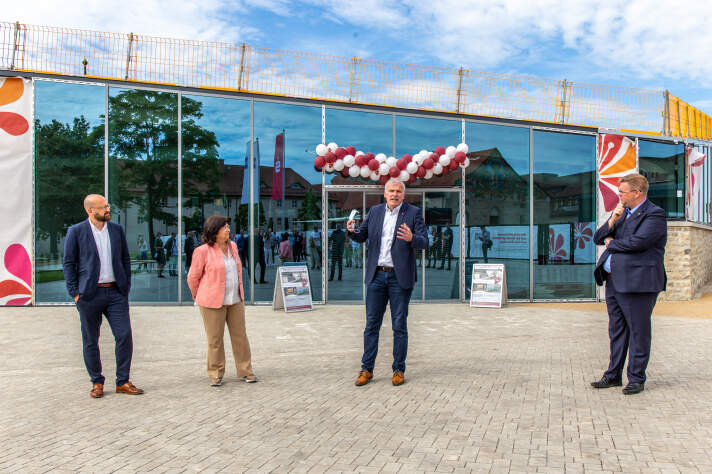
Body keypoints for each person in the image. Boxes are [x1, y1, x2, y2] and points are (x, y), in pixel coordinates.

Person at [591, 173, 667, 395]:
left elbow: (638, 242)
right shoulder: (622, 213)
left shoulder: (654, 214)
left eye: (622, 192)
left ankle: (636, 378)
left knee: (638, 331)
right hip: (614, 282)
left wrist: (612, 243)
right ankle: (613, 375)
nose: (619, 195)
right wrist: (613, 221)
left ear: (637, 192)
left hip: (638, 283)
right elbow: (598, 237)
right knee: (617, 331)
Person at [347, 178, 428, 386]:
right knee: (371, 325)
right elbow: (361, 236)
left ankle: (398, 370)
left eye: (398, 192)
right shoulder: (374, 212)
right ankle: (367, 369)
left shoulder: (413, 213)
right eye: (391, 191)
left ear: (403, 194)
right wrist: (351, 231)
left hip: (399, 278)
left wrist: (412, 239)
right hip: (376, 276)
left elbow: (425, 241)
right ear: (385, 193)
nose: (394, 195)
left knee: (399, 325)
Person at [62, 194, 144, 398]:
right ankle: (96, 382)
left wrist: (126, 286)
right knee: (91, 340)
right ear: (91, 210)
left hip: (116, 293)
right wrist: (75, 293)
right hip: (89, 295)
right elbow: (68, 263)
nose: (108, 209)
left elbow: (125, 258)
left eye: (107, 205)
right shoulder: (76, 231)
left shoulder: (116, 230)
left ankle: (122, 381)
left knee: (124, 335)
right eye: (103, 207)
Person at [187, 216, 257, 386]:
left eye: (228, 226)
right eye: (224, 227)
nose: (228, 229)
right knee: (215, 339)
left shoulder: (232, 246)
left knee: (240, 336)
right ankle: (216, 374)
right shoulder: (202, 251)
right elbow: (192, 277)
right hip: (211, 302)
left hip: (235, 300)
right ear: (214, 231)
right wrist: (199, 296)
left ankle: (245, 370)